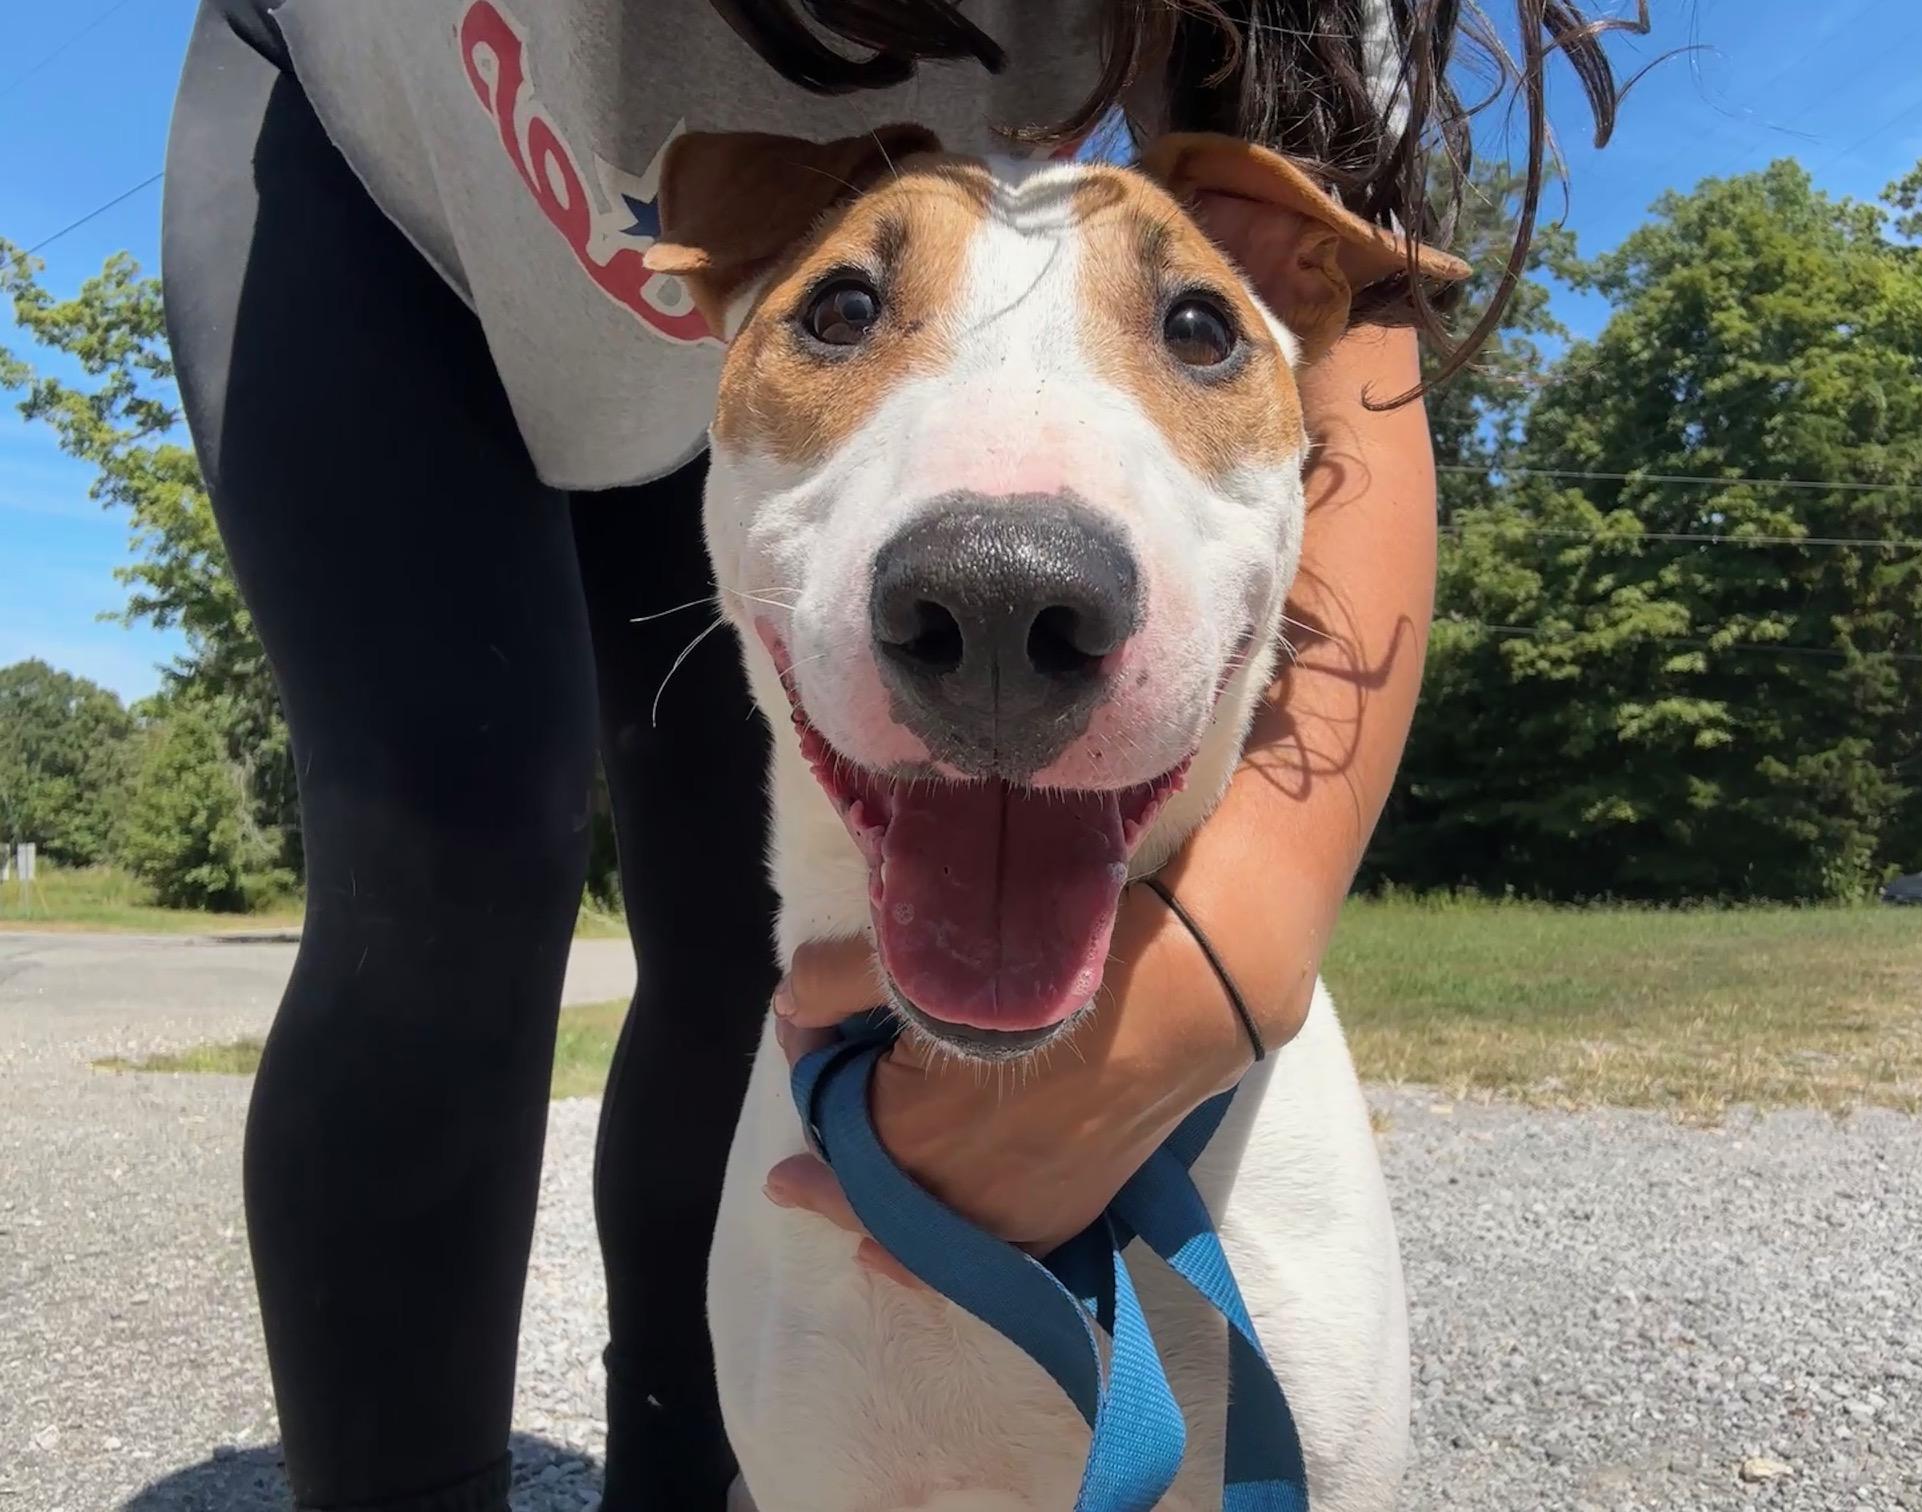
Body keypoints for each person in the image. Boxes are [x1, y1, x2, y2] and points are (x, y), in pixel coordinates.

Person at [163, 3, 1635, 1509]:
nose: (1010, 578)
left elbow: (1364, 335)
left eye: (1197, 329)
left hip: (708, 300)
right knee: (443, 862)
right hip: (372, 151)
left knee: (720, 947)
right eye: (850, 319)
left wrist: (1232, 951)